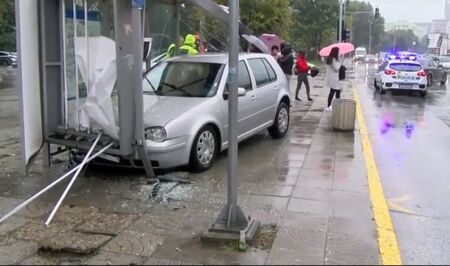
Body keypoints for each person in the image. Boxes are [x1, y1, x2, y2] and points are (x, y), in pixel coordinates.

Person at [325, 47, 341, 111]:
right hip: (333, 78)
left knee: (336, 92)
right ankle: (329, 106)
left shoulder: (333, 59)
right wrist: (340, 62)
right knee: (333, 92)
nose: (339, 52)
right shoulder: (332, 59)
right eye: (338, 51)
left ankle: (334, 105)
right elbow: (336, 69)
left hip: (334, 78)